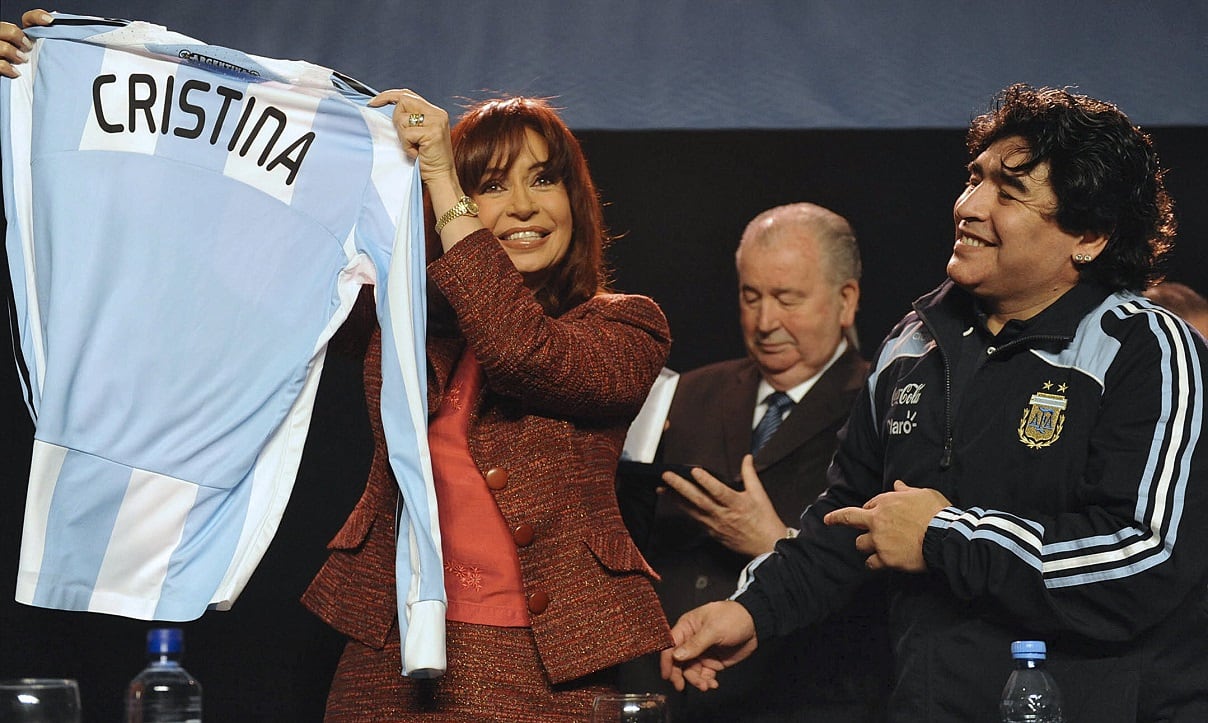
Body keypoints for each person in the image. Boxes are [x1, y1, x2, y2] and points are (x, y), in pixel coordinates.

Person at [2, 13, 673, 721]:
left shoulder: (627, 325)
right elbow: (240, 264)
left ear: (576, 199)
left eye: (543, 180)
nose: (524, 207)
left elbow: (518, 348)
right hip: (391, 663)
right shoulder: (405, 319)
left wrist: (444, 174)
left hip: (549, 673)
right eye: (492, 185)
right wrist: (55, 93)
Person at [662, 84, 1208, 722]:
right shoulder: (911, 344)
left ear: (1088, 234)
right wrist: (751, 609)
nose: (971, 207)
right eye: (975, 179)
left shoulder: (1149, 349)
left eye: (1009, 192)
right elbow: (847, 518)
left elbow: (1143, 560)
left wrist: (945, 536)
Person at [617, 203, 890, 721]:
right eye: (751, 297)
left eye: (787, 299)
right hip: (671, 699)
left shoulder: (885, 407)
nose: (766, 322)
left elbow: (894, 594)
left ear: (846, 300)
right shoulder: (683, 396)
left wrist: (775, 543)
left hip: (809, 700)